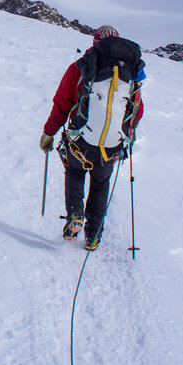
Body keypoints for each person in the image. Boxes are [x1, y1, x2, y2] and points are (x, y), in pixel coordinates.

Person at [39, 25, 144, 251]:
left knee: (75, 172)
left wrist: (49, 132)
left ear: (95, 42)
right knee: (100, 184)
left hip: (81, 140)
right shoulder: (131, 72)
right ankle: (93, 234)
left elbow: (62, 104)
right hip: (112, 145)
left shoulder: (81, 67)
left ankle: (75, 216)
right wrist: (128, 135)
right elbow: (137, 110)